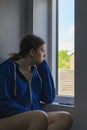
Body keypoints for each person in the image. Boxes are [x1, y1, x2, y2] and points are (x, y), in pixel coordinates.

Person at [0, 34, 73, 130]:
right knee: (39, 117)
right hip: (7, 118)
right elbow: (3, 103)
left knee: (65, 118)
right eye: (42, 51)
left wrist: (43, 64)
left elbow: (49, 97)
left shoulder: (36, 71)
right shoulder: (7, 69)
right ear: (32, 52)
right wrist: (28, 113)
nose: (45, 55)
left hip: (34, 116)